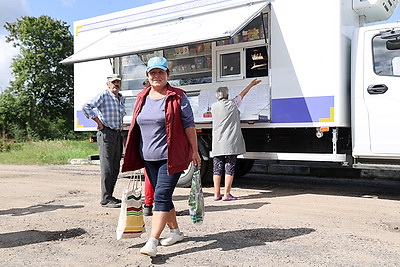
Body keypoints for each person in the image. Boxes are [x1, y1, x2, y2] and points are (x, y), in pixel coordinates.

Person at [122, 57, 201, 257]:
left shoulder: (178, 96)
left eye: (161, 72)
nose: (156, 76)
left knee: (161, 196)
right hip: (149, 157)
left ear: (167, 74)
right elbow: (136, 127)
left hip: (171, 156)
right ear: (147, 76)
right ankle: (175, 232)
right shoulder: (142, 97)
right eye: (153, 73)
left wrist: (194, 150)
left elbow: (188, 125)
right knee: (162, 195)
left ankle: (152, 241)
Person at [211, 78, 261, 201]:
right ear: (227, 95)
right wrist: (251, 84)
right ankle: (227, 194)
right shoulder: (233, 103)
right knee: (230, 166)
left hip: (217, 141)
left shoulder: (213, 106)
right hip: (230, 142)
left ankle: (216, 194)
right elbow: (243, 94)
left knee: (217, 167)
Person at [82, 74, 125, 208]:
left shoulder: (121, 98)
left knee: (115, 166)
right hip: (106, 132)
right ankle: (105, 198)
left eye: (118, 82)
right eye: (113, 82)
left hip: (117, 133)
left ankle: (110, 196)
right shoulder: (104, 95)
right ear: (108, 84)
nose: (116, 84)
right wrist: (98, 122)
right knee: (107, 167)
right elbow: (86, 106)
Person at [142, 79, 155, 216]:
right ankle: (156, 204)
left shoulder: (141, 99)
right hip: (153, 146)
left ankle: (148, 205)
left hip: (146, 146)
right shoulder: (146, 99)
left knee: (148, 178)